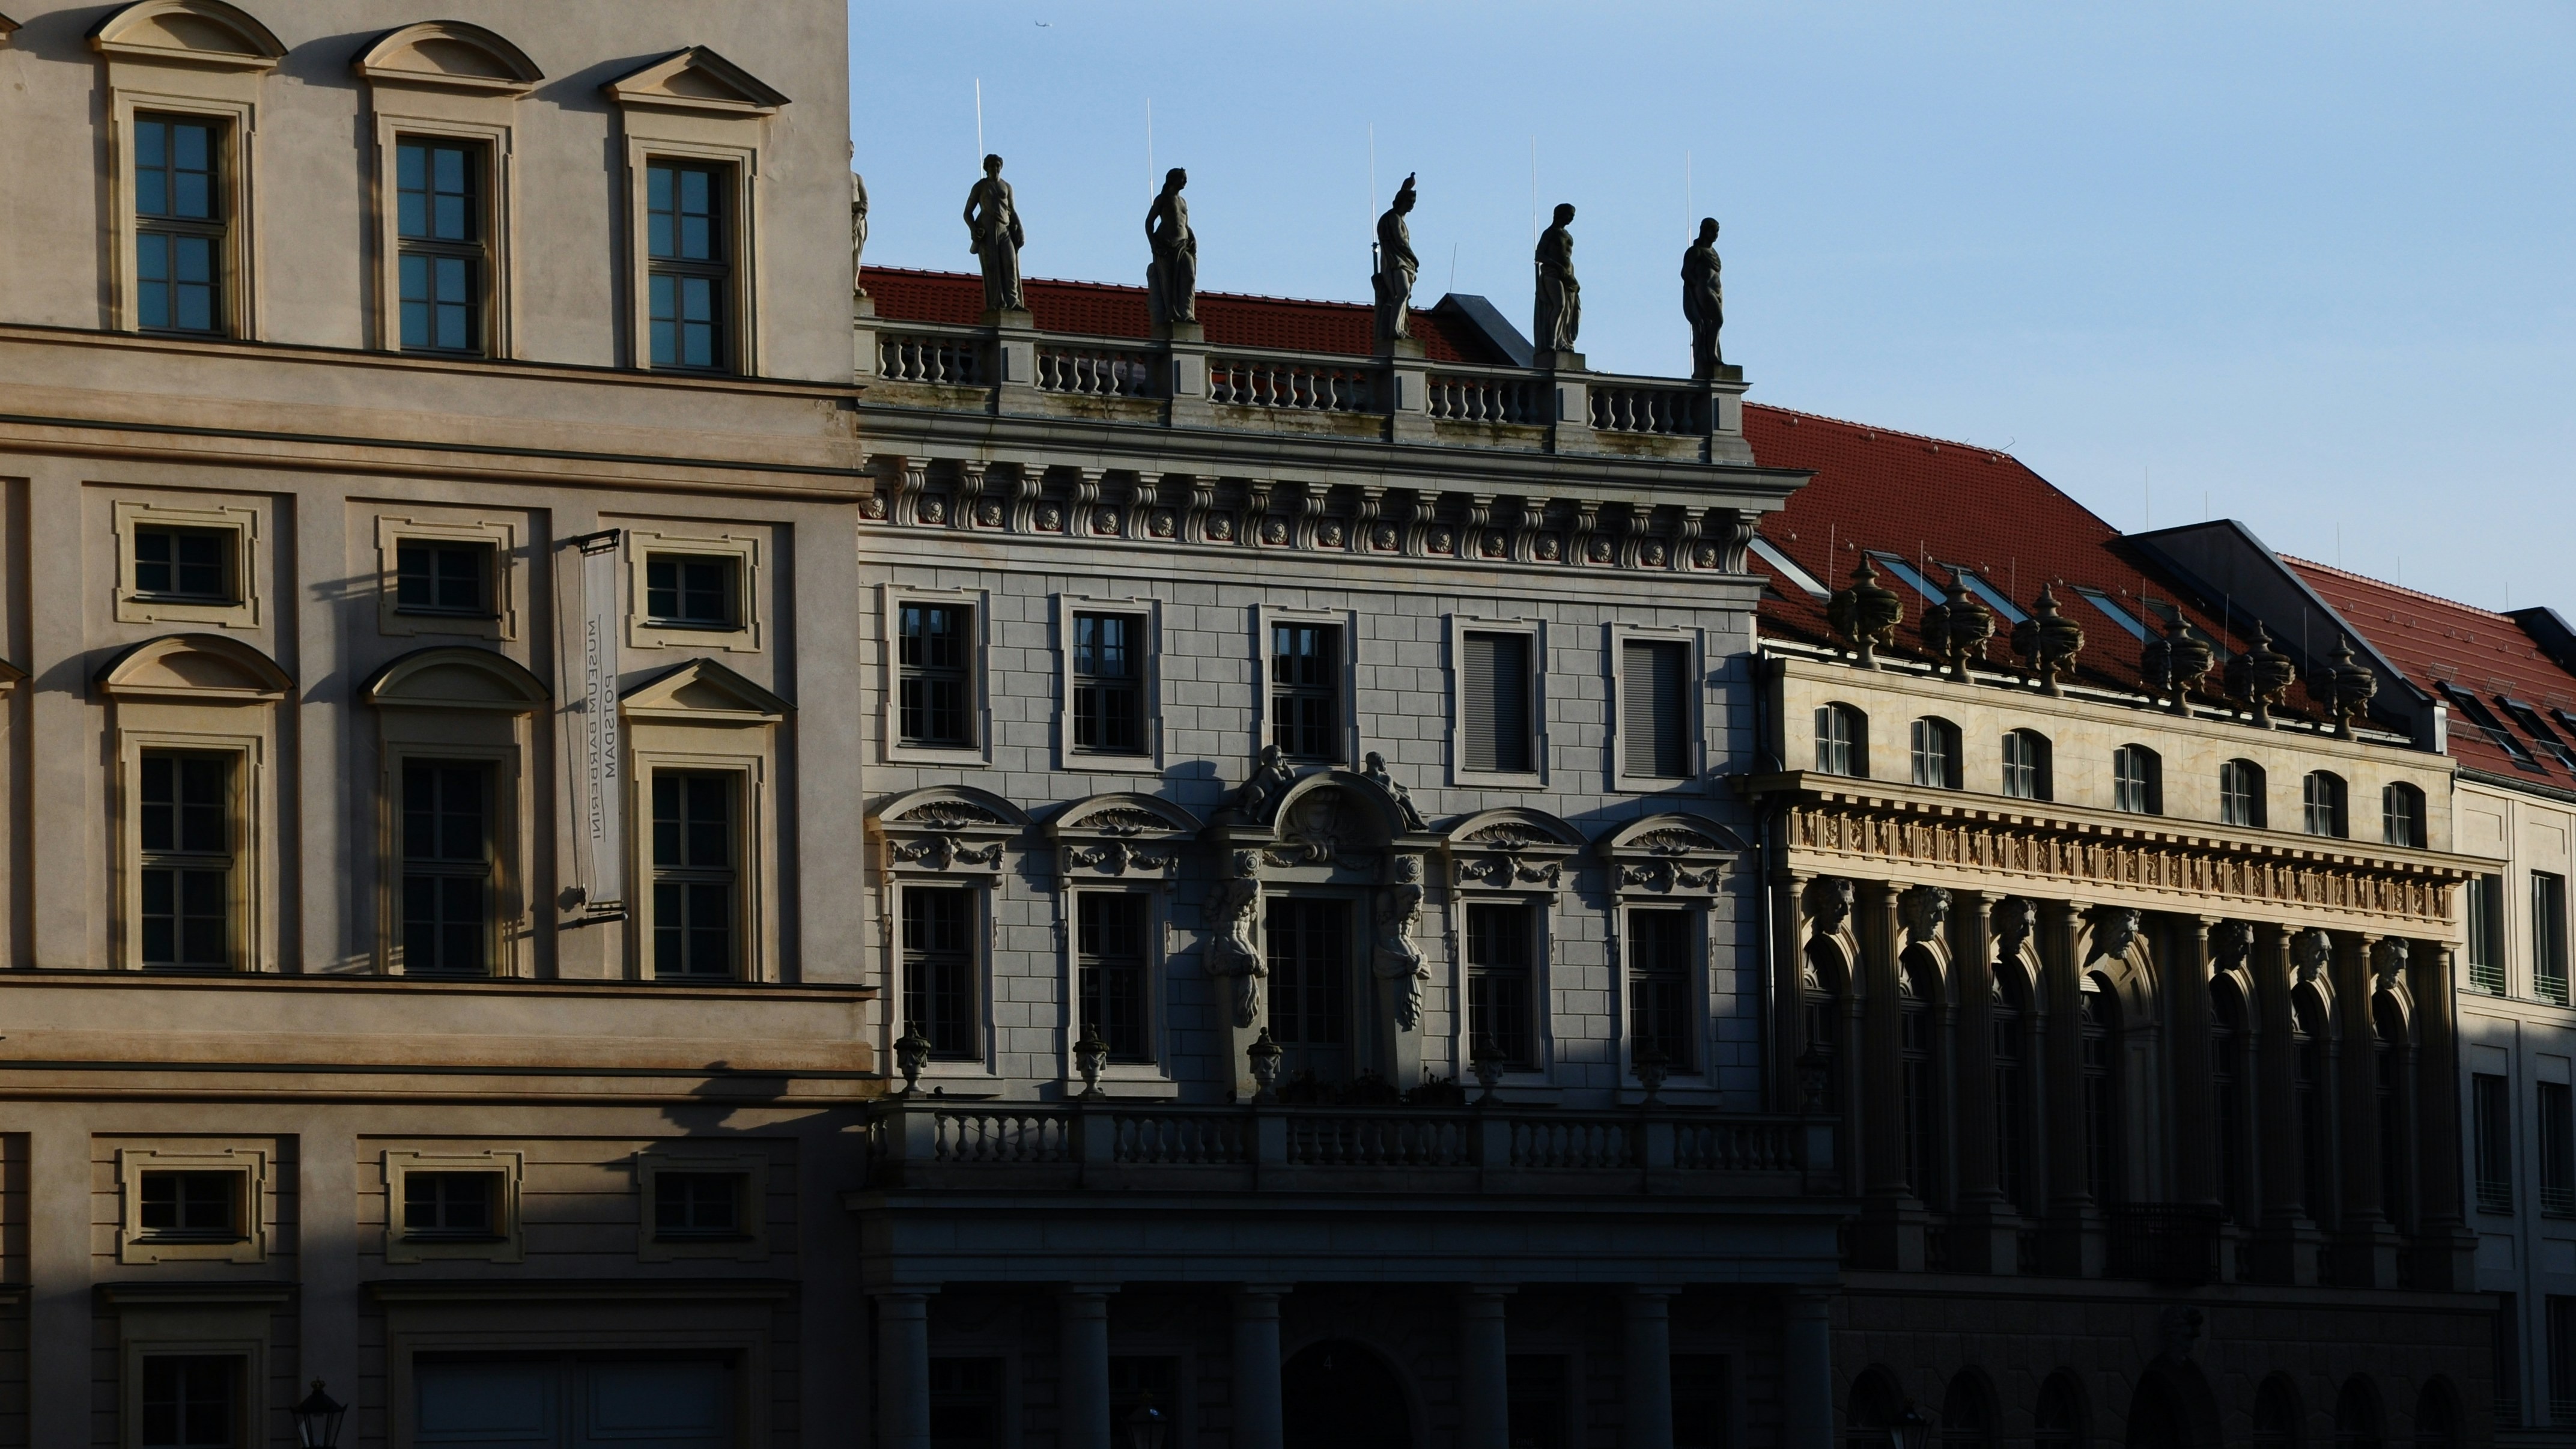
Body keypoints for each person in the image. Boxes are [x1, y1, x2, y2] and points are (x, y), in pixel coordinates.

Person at [961, 153, 1025, 312]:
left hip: (1005, 230)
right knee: (992, 266)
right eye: (991, 166)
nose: (995, 169)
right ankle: (997, 302)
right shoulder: (980, 187)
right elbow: (968, 212)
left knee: (1010, 263)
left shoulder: (1007, 187)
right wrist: (974, 230)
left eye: (997, 165)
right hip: (988, 230)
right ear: (986, 168)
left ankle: (1013, 301)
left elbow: (1012, 210)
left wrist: (1020, 229)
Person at [1145, 167, 1197, 326]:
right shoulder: (1163, 199)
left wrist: (1193, 237)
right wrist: (1154, 244)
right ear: (1172, 179)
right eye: (1182, 178)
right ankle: (1171, 312)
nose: (1185, 181)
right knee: (1167, 281)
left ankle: (1186, 312)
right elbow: (1149, 223)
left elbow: (1185, 225)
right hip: (1167, 245)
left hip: (1184, 245)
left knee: (1189, 276)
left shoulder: (1183, 201)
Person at [1372, 173, 1418, 343]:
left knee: (1400, 295)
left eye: (1413, 202)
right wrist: (1414, 258)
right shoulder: (1393, 218)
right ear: (1402, 201)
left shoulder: (1397, 218)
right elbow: (1400, 241)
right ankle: (1394, 329)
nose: (1412, 205)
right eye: (1409, 202)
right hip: (1396, 262)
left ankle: (1397, 328)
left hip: (1401, 262)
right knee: (1402, 293)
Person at [1533, 202, 1580, 353]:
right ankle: (1551, 342)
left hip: (1568, 277)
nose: (1572, 218)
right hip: (1552, 274)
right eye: (1569, 215)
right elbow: (1539, 254)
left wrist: (1570, 274)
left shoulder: (1568, 235)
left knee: (1569, 309)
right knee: (1559, 305)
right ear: (1560, 214)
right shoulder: (1550, 233)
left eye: (1573, 216)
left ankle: (1563, 342)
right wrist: (1557, 266)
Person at [1682, 216, 1724, 378]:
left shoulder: (1713, 253)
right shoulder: (1696, 251)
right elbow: (1686, 273)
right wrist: (1697, 287)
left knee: (1712, 323)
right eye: (1713, 231)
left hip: (1717, 292)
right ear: (1704, 232)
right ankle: (1710, 354)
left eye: (1717, 232)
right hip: (1704, 290)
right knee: (1718, 321)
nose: (1715, 235)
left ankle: (1711, 353)